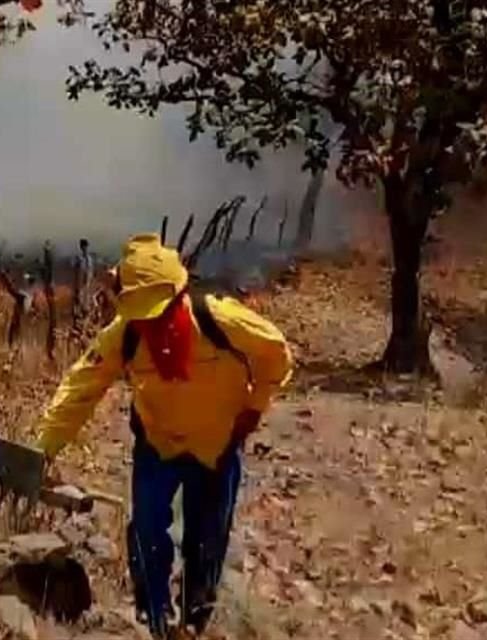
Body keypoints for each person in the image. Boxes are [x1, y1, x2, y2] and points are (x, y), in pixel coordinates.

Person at [34, 233, 293, 639]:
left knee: (207, 538)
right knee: (147, 533)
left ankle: (194, 621)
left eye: (159, 314)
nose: (152, 325)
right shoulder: (125, 334)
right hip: (158, 444)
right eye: (142, 317)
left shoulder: (221, 319)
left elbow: (276, 353)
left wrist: (254, 408)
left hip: (217, 444)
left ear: (180, 296)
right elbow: (81, 386)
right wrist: (45, 447)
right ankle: (153, 619)